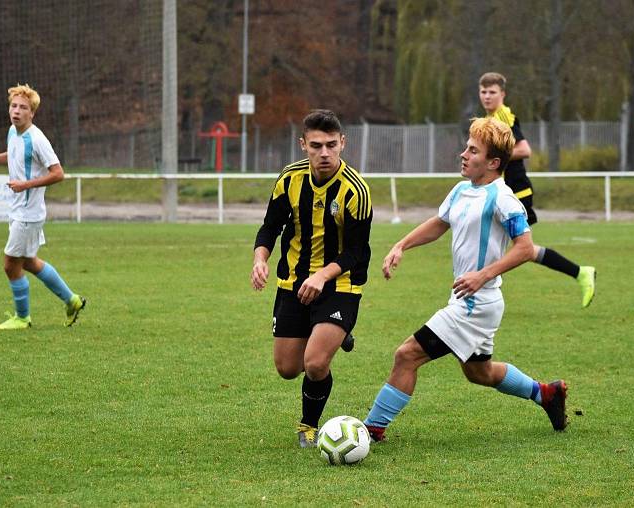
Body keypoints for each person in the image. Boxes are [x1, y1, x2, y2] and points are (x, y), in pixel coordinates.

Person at [364, 117, 568, 444]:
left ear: (493, 162)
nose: (463, 154)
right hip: (468, 300)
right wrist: (401, 245)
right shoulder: (462, 189)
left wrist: (483, 275)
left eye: (473, 151)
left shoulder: (502, 198)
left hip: (476, 303)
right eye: (466, 147)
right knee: (479, 372)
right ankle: (546, 393)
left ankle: (372, 429)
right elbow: (439, 222)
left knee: (407, 354)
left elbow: (526, 248)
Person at [251, 109, 373, 447]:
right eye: (316, 145)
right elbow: (270, 227)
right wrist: (260, 259)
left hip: (340, 284)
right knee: (288, 368)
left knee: (315, 363)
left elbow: (357, 252)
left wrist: (322, 276)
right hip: (292, 282)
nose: (324, 153)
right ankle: (336, 334)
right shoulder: (289, 179)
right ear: (302, 144)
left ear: (342, 144)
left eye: (331, 145)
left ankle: (308, 425)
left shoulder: (356, 191)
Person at [0, 84, 86, 330]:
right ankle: (73, 300)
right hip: (18, 211)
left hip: (28, 213)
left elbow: (58, 174)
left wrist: (27, 185)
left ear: (32, 113)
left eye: (23, 108)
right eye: (14, 106)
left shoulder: (37, 139)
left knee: (9, 264)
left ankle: (22, 318)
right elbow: (13, 154)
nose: (17, 111)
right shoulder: (13, 132)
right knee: (29, 262)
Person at [479, 72, 596, 308]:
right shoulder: (490, 117)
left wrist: (491, 156)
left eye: (492, 92)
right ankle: (581, 272)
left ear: (503, 94)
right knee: (521, 248)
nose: (487, 96)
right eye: (483, 91)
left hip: (516, 191)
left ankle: (481, 290)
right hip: (503, 192)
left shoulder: (503, 116)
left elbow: (524, 150)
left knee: (511, 246)